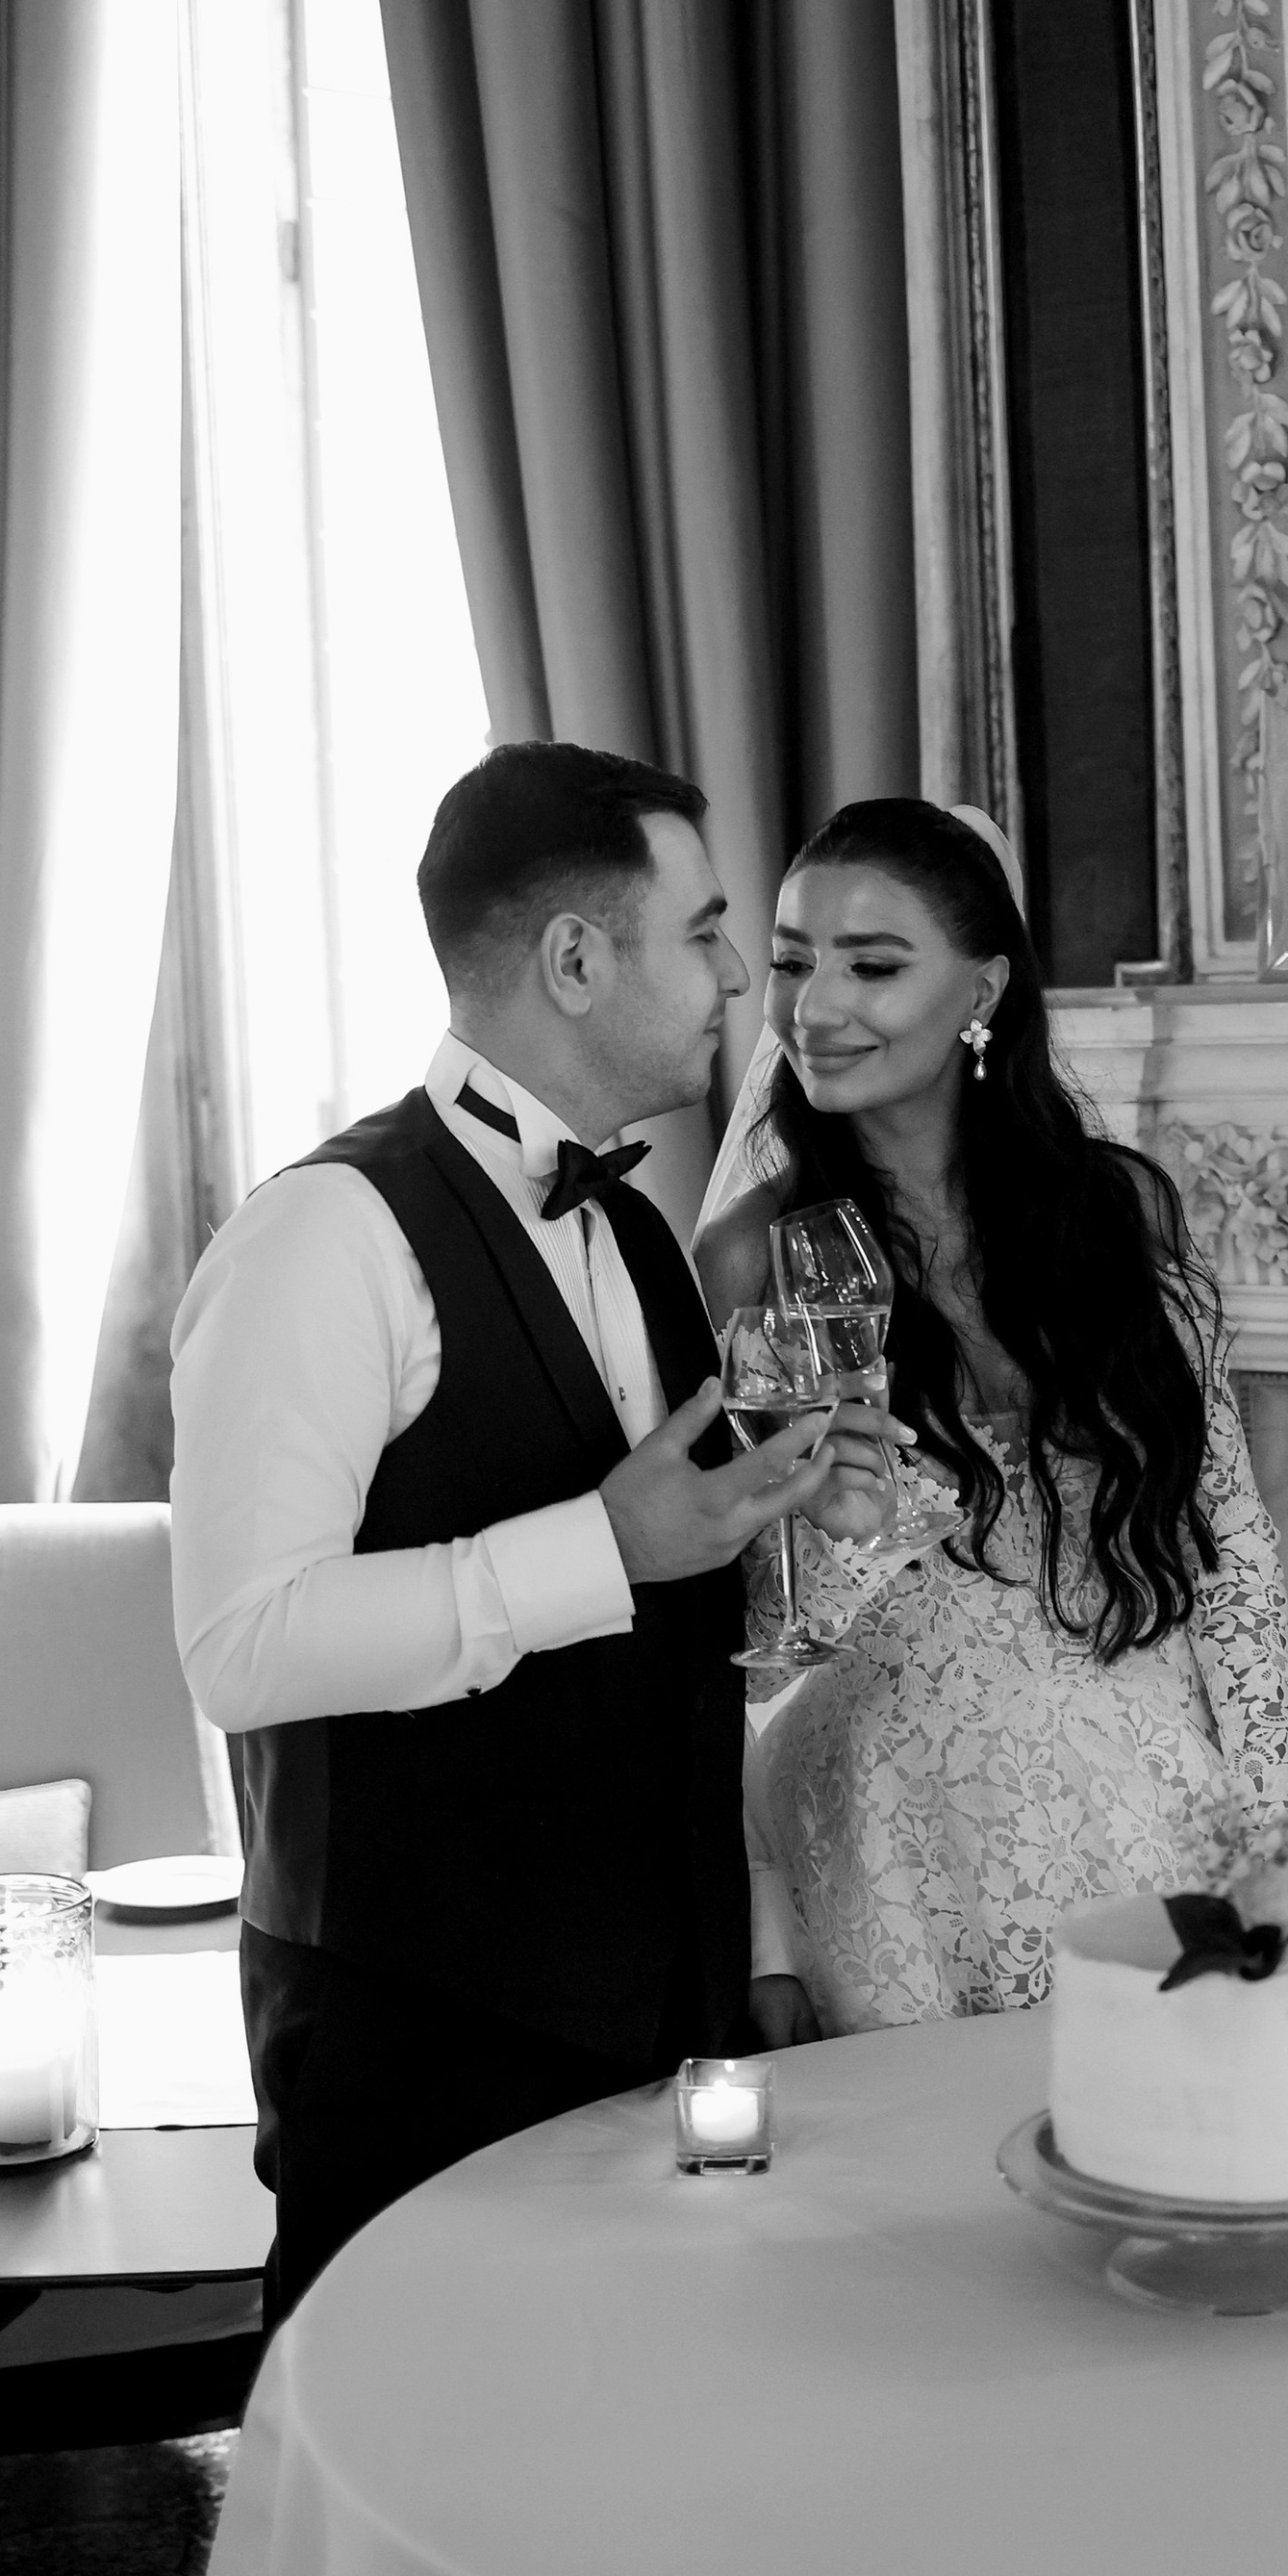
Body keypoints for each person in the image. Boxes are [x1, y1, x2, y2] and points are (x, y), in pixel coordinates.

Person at [169, 743, 893, 2322]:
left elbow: (667, 1603)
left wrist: (780, 1519)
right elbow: (241, 1648)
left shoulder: (637, 1226)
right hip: (420, 2043)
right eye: (701, 932)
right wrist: (603, 1549)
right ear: (574, 959)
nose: (735, 982)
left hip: (656, 2031)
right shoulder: (320, 1238)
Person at [695, 799, 1288, 2034]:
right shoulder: (750, 1258)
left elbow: (1232, 1560)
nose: (815, 1006)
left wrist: (1284, 1842)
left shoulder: (1115, 1220)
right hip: (889, 1819)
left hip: (1144, 1797)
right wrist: (833, 1519)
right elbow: (750, 1627)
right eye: (791, 961)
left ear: (980, 990)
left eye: (871, 965)